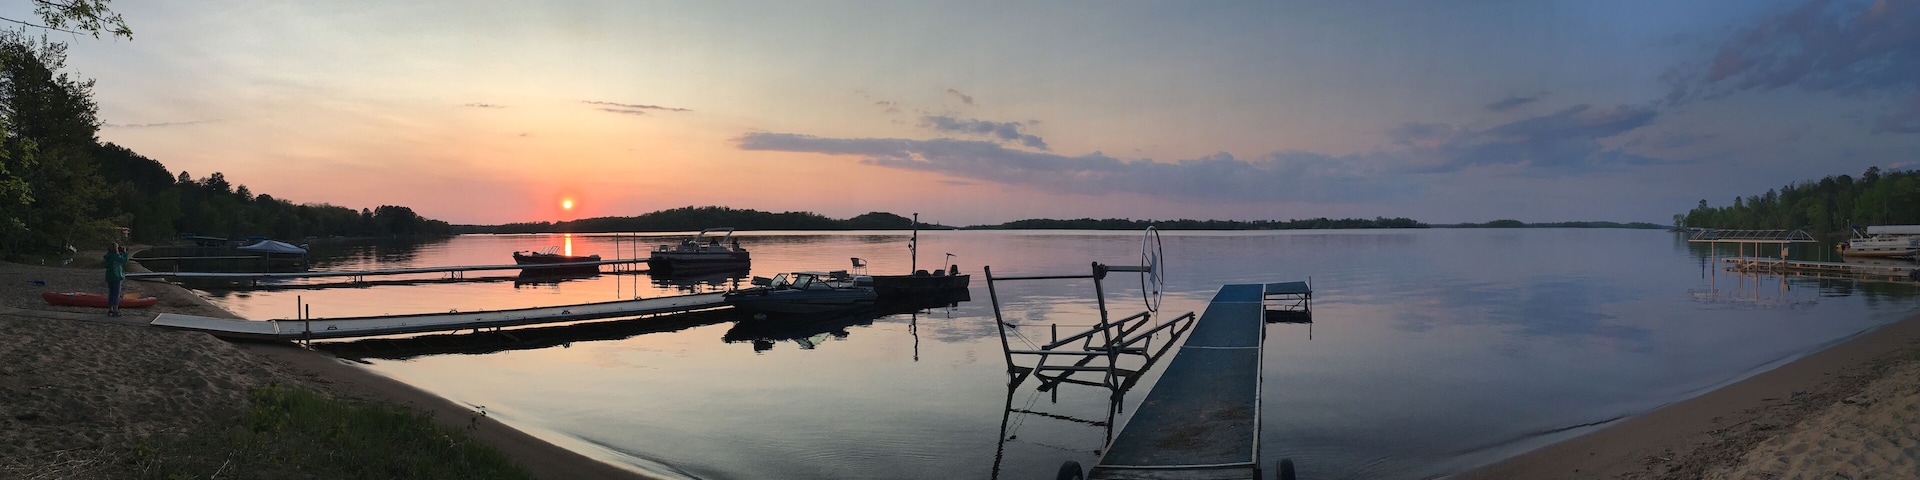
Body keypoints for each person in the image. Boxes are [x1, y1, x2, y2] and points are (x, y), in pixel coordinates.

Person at [103, 242, 129, 317]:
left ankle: (110, 309)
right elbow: (124, 260)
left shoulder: (108, 257)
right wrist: (125, 253)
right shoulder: (115, 257)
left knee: (111, 294)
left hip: (109, 277)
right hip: (116, 277)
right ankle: (115, 310)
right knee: (116, 294)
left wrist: (120, 254)